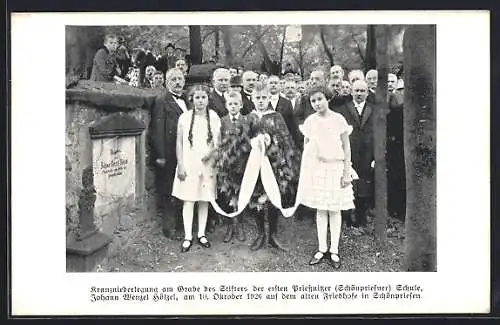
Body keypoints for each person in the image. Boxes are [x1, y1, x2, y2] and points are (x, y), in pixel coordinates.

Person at [299, 85, 354, 269]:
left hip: (336, 168)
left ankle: (334, 250)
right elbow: (306, 149)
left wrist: (346, 172)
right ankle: (322, 248)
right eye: (313, 101)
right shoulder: (310, 122)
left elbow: (346, 147)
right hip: (319, 169)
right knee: (321, 209)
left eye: (320, 99)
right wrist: (308, 172)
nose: (316, 103)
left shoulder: (338, 119)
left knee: (335, 209)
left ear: (327, 98)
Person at [246, 82, 301, 251]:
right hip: (255, 163)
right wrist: (253, 143)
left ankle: (273, 234)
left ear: (269, 98)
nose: (261, 101)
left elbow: (285, 139)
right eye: (258, 98)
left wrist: (277, 150)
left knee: (273, 195)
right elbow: (244, 140)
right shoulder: (250, 117)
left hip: (274, 162)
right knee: (257, 196)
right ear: (252, 98)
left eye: (264, 98)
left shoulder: (276, 116)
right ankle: (261, 233)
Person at [172, 84, 221, 252]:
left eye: (203, 97)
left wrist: (211, 155)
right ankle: (187, 236)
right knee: (189, 199)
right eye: (197, 97)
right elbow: (179, 143)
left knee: (203, 199)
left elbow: (218, 142)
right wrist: (180, 165)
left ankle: (201, 233)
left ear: (208, 99)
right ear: (192, 99)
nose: (200, 101)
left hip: (207, 165)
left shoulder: (213, 117)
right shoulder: (184, 118)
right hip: (189, 163)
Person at [151, 68, 189, 240]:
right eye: (173, 79)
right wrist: (160, 155)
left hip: (185, 152)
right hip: (168, 152)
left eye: (180, 79)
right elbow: (157, 129)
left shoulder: (188, 100)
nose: (177, 82)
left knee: (183, 188)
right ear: (167, 82)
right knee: (169, 189)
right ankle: (170, 227)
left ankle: (184, 223)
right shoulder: (161, 100)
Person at [333, 80, 375, 230]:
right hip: (348, 153)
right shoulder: (342, 110)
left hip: (367, 155)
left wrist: (375, 156)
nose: (359, 94)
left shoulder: (373, 110)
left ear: (367, 93)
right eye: (356, 91)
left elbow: (378, 134)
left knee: (363, 187)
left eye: (362, 91)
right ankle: (346, 219)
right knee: (346, 186)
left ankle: (361, 219)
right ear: (351, 92)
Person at [215, 91, 250, 243]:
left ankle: (239, 225)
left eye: (236, 104)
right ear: (226, 105)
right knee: (228, 194)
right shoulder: (222, 122)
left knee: (241, 193)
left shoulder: (247, 120)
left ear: (241, 105)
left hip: (242, 164)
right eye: (230, 104)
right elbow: (218, 142)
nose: (233, 106)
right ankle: (230, 225)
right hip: (227, 164)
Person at [267, 75, 303, 150]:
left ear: (280, 86)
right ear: (267, 85)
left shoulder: (287, 103)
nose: (273, 85)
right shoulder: (263, 102)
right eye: (271, 83)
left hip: (283, 143)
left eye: (275, 83)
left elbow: (292, 126)